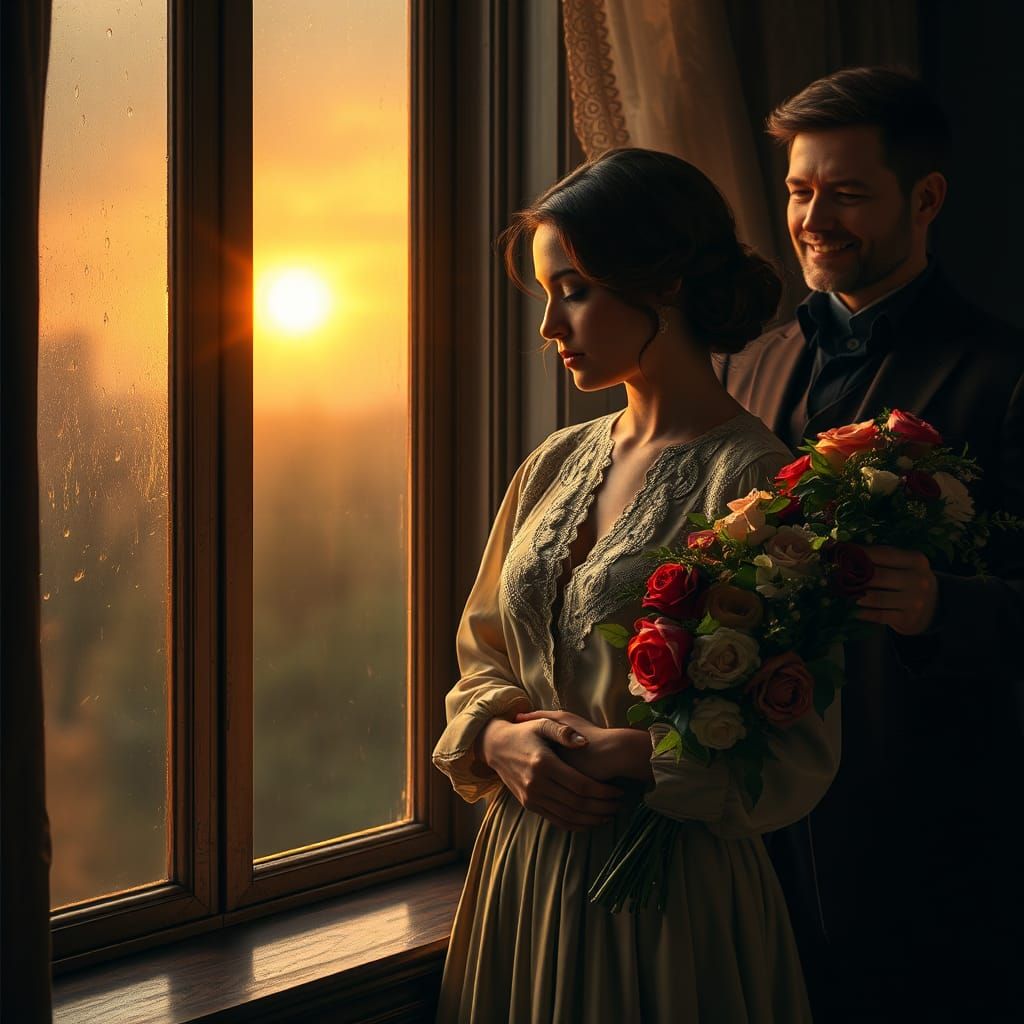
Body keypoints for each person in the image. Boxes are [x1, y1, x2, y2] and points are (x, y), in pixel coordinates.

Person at [431, 147, 840, 1023]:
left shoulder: (759, 486)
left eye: (572, 289)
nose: (549, 325)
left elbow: (797, 747)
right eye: (547, 292)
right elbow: (483, 650)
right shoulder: (555, 461)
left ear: (665, 283)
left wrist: (631, 755)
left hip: (667, 901)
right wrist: (497, 735)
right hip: (520, 873)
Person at [717, 67, 1024, 1022]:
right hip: (756, 837)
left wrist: (942, 605)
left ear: (926, 198)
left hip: (930, 844)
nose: (813, 217)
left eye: (846, 192)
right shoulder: (745, 363)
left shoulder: (1009, 378)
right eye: (801, 190)